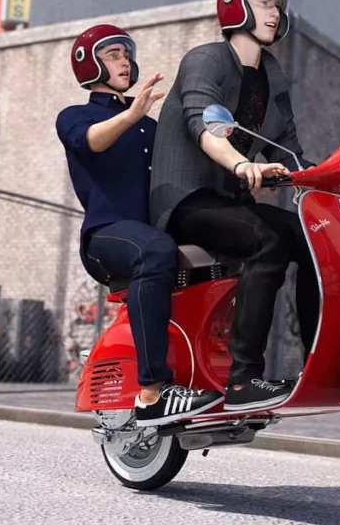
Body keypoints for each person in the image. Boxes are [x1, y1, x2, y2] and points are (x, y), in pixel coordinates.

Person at [148, 0, 340, 412]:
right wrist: (241, 163)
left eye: (278, 5)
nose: (275, 13)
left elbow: (292, 153)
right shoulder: (206, 59)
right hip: (186, 200)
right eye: (264, 3)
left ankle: (324, 361)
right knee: (270, 239)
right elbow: (202, 123)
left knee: (316, 238)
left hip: (230, 203)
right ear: (236, 6)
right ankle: (243, 381)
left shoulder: (271, 76)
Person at [56, 24, 224, 426]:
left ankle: (230, 375)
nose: (125, 62)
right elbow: (91, 141)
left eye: (127, 55)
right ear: (90, 64)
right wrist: (131, 114)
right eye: (113, 54)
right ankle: (152, 392)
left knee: (236, 244)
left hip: (155, 234)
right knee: (155, 248)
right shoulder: (75, 116)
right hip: (106, 235)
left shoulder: (151, 125)